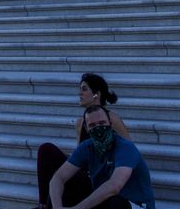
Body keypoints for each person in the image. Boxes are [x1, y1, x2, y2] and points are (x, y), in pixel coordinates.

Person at [35, 75, 132, 208]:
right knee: (47, 151)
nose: (79, 93)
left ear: (96, 94)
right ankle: (43, 205)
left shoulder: (112, 119)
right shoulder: (81, 123)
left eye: (84, 89)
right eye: (80, 89)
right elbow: (80, 156)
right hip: (85, 176)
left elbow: (130, 153)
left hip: (104, 179)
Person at [43, 103, 156, 209]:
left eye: (102, 123)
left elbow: (114, 186)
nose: (98, 129)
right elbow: (58, 178)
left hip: (136, 204)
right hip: (105, 200)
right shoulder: (86, 147)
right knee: (65, 187)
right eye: (92, 125)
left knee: (115, 202)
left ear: (110, 124)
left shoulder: (125, 148)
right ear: (87, 129)